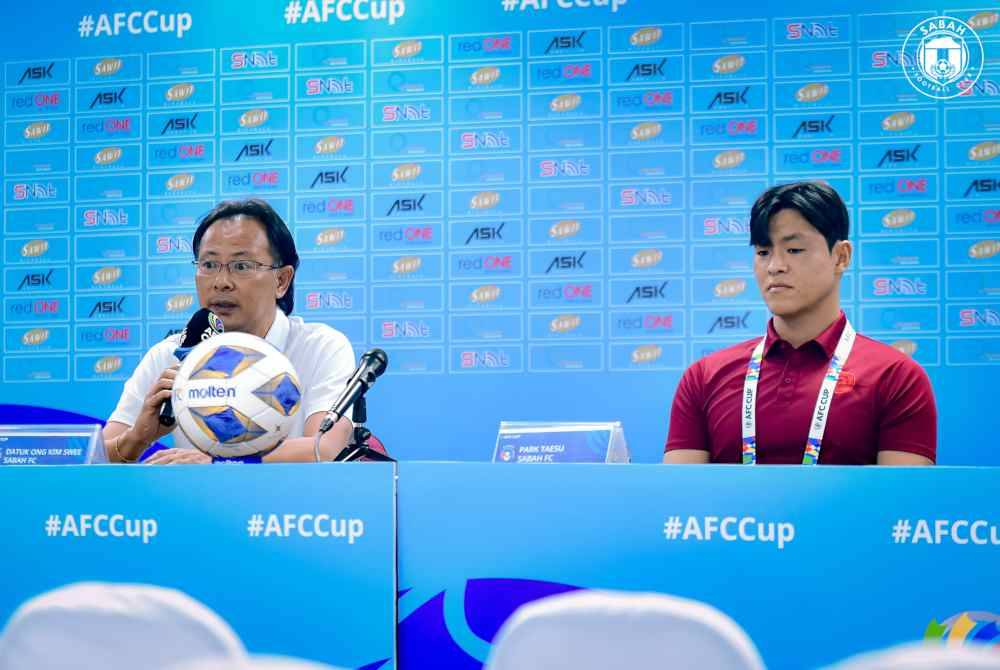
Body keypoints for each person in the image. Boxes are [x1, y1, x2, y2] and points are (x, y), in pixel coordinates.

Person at [664, 182, 936, 465]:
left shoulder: (896, 377)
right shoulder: (704, 378)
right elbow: (678, 490)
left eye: (794, 249)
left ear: (841, 257)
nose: (775, 266)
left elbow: (902, 491)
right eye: (763, 252)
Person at [102, 199, 356, 463]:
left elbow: (325, 448)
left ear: (281, 280)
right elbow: (90, 460)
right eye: (209, 265)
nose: (221, 282)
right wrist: (137, 438)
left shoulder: (320, 347)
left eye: (241, 266)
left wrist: (219, 463)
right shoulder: (171, 355)